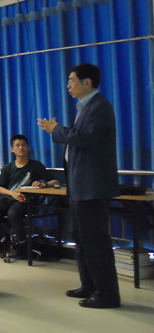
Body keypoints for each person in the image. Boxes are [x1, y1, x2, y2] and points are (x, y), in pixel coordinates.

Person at [38, 63, 121, 309]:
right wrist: (59, 131)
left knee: (95, 241)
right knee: (81, 239)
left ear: (87, 82)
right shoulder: (84, 108)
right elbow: (77, 139)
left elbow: (85, 139)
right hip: (79, 186)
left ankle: (107, 294)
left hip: (92, 187)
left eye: (71, 80)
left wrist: (56, 129)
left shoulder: (100, 107)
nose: (68, 85)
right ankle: (89, 285)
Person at [0, 134, 57, 258]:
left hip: (25, 199)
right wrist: (12, 193)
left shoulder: (35, 166)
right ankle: (2, 242)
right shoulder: (8, 167)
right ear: (12, 149)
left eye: (23, 145)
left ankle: (22, 244)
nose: (21, 148)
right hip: (8, 197)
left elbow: (54, 181)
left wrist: (43, 184)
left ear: (28, 147)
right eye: (17, 145)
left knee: (13, 213)